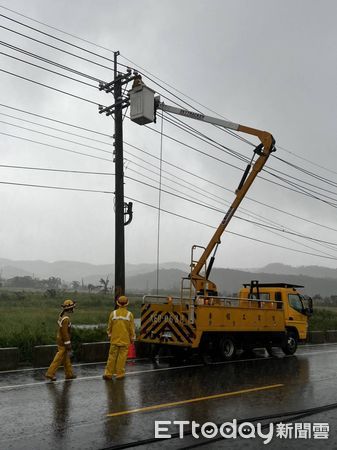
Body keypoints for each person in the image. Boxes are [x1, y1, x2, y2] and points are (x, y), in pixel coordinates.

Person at [103, 295, 135, 380]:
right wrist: (132, 339)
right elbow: (131, 329)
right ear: (126, 304)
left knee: (111, 357)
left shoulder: (113, 313)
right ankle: (119, 374)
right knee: (122, 358)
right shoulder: (129, 315)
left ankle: (108, 374)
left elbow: (109, 327)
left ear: (118, 303)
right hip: (125, 341)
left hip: (114, 340)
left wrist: (109, 335)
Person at [45, 299, 77, 381]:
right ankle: (50, 373)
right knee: (58, 358)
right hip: (63, 342)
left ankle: (69, 374)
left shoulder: (62, 316)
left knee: (66, 358)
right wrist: (68, 344)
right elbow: (65, 332)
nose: (74, 309)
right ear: (70, 308)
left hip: (60, 340)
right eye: (73, 307)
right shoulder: (66, 319)